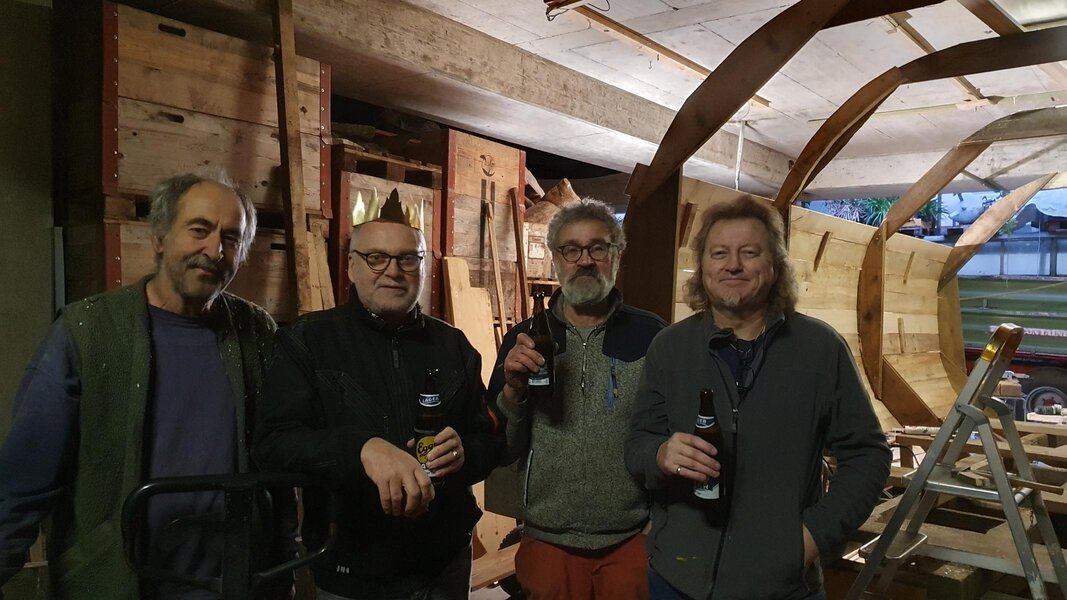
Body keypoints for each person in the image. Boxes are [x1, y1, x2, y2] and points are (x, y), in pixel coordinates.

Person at [0, 172, 292, 599]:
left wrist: (282, 567)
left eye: (231, 238)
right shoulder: (88, 331)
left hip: (233, 582)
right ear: (159, 237)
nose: (215, 251)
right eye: (199, 230)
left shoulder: (256, 331)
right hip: (117, 582)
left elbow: (279, 460)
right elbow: (25, 475)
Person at [625, 195, 891, 600]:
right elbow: (637, 442)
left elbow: (867, 456)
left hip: (782, 587)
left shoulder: (819, 349)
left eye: (749, 253)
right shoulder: (670, 347)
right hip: (678, 578)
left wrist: (811, 537)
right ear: (703, 267)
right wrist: (660, 454)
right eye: (719, 253)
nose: (733, 265)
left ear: (775, 265)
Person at [253, 209, 503, 600]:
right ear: (351, 267)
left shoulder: (453, 345)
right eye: (376, 258)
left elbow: (487, 440)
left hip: (444, 565)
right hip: (352, 569)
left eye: (408, 259)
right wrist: (360, 449)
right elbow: (274, 444)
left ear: (423, 267)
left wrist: (464, 452)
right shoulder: (309, 341)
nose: (393, 271)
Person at [490, 198, 666, 600]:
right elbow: (503, 448)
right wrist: (513, 392)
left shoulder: (654, 337)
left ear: (617, 255)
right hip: (547, 541)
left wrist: (657, 522)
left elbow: (672, 434)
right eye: (571, 249)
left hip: (631, 539)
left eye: (597, 248)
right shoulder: (524, 339)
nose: (584, 260)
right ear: (555, 259)